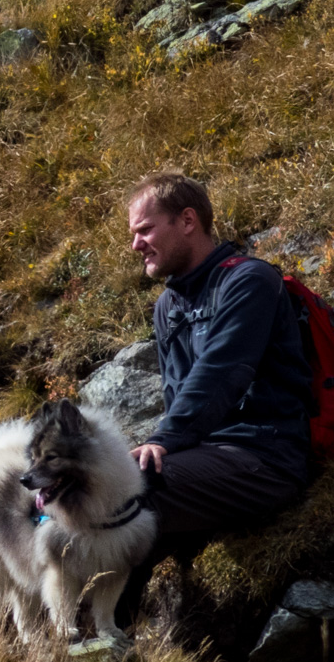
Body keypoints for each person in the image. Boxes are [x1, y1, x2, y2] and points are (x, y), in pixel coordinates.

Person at [116, 172, 313, 623]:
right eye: (133, 234)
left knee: (124, 495)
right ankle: (97, 641)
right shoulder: (169, 305)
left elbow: (223, 371)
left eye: (144, 230)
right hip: (205, 459)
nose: (136, 245)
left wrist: (164, 440)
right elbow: (176, 393)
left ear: (187, 220)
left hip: (265, 458)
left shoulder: (249, 281)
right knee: (86, 509)